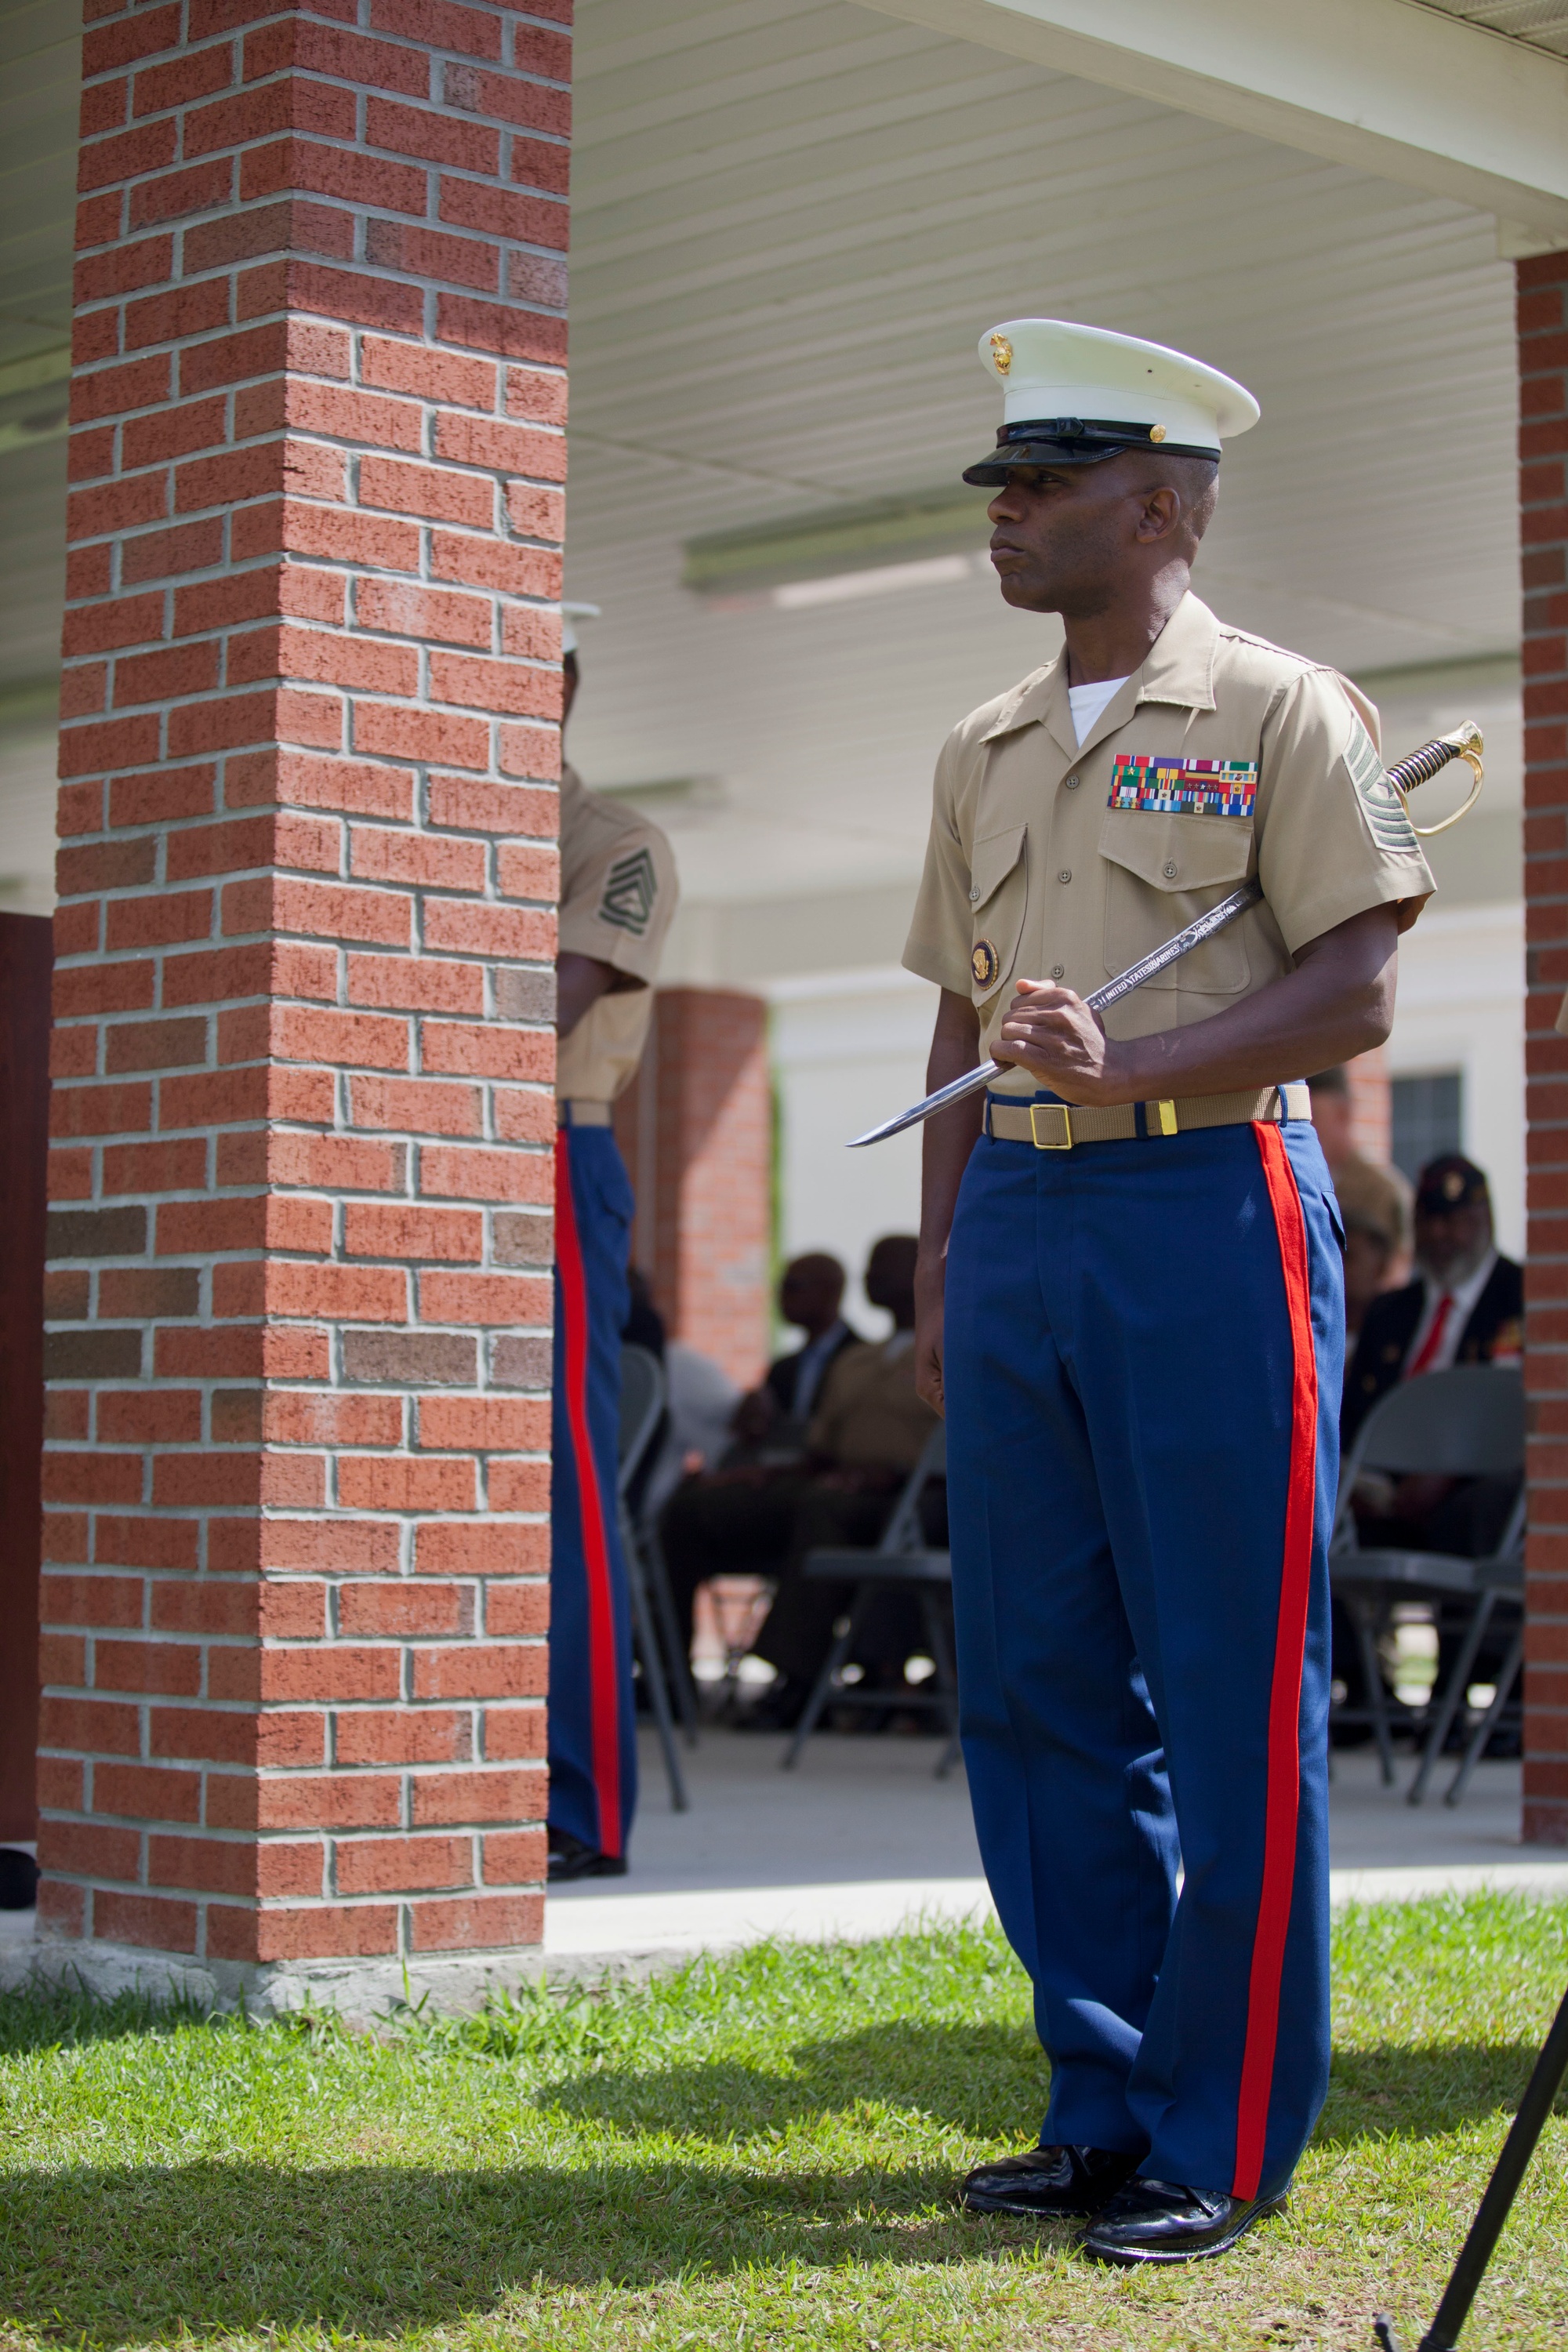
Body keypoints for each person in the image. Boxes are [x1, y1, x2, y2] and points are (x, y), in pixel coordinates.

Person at [906, 318, 1434, 2263]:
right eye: (1000, 486)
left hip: (1206, 1202)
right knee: (1041, 1686)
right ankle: (1100, 2093)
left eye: (1037, 485)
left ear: (1160, 505)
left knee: (1223, 1687)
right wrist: (949, 1247)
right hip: (1023, 1231)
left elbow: (1359, 977)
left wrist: (1133, 1068)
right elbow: (953, 1015)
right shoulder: (973, 744)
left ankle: (1220, 2127)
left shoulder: (1285, 707)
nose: (1004, 515)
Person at [547, 622, 678, 1885]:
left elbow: (551, 997)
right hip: (435, 1155)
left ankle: (578, 1803)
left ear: (563, 687)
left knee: (562, 1478)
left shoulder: (614, 841)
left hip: (549, 1152)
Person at [656, 1237, 938, 1722]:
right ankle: (666, 1678)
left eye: (885, 1268)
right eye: (869, 1268)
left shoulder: (947, 1349)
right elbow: (821, 1446)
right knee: (688, 1507)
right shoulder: (858, 1360)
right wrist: (762, 1472)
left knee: (820, 1510)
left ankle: (796, 1681)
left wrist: (890, 1474)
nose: (870, 1278)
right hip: (829, 1482)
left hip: (908, 1496)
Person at [1343, 1153, 1522, 1449]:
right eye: (1427, 1219)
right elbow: (1353, 1417)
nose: (1437, 1233)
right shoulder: (1388, 1311)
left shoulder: (1521, 1299)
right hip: (1378, 1475)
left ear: (1484, 1219)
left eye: (1452, 1220)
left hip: (1478, 1475)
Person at [1307, 1066, 1411, 1339]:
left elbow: (1394, 1279)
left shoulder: (1379, 1192)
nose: (1302, 1129)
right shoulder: (1292, 1183)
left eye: (1311, 1116)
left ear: (1343, 1115)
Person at [728, 1253, 861, 1457]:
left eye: (792, 1286)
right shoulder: (783, 1368)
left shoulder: (862, 1360)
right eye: (780, 1287)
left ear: (830, 1291)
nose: (781, 1296)